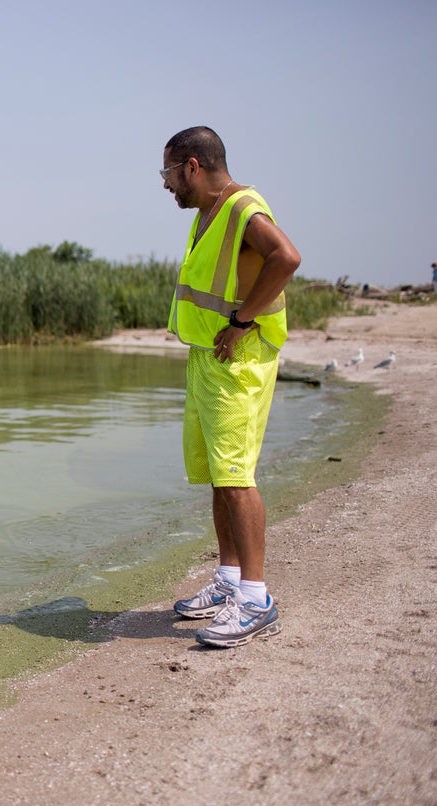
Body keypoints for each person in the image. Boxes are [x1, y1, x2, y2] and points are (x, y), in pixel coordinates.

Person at [160, 126, 301, 647]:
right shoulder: (209, 212)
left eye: (169, 172)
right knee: (221, 474)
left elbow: (285, 257)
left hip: (237, 360)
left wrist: (242, 321)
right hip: (209, 359)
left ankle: (257, 600)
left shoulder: (243, 208)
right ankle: (229, 581)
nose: (166, 184)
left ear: (192, 165)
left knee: (237, 475)